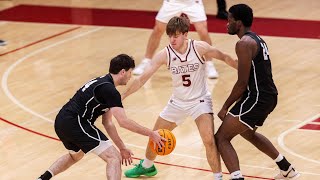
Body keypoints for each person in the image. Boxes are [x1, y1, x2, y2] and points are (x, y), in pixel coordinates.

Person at [123, 16, 237, 180]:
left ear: (185, 34)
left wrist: (242, 69)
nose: (172, 39)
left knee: (208, 140)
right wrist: (124, 95)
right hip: (177, 103)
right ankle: (147, 166)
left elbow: (225, 56)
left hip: (200, 101)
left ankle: (217, 177)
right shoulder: (165, 54)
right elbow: (141, 79)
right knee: (156, 135)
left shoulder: (199, 47)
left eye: (175, 36)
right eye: (169, 36)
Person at [37, 54, 166, 180]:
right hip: (75, 121)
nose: (130, 76)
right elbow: (123, 122)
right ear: (122, 72)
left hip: (62, 121)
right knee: (114, 158)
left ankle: (44, 178)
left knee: (75, 156)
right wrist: (151, 134)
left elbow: (108, 123)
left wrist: (122, 147)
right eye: (130, 72)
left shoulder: (103, 83)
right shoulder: (110, 90)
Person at [215, 4, 300, 180]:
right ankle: (286, 169)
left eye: (229, 19)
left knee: (221, 137)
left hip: (257, 98)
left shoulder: (243, 44)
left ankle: (237, 178)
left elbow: (242, 83)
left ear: (238, 23)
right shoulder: (257, 39)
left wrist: (225, 107)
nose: (227, 23)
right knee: (247, 132)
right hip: (267, 96)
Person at [133, 0, 220, 79]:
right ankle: (146, 61)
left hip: (192, 3)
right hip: (172, 2)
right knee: (158, 29)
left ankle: (209, 64)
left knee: (202, 30)